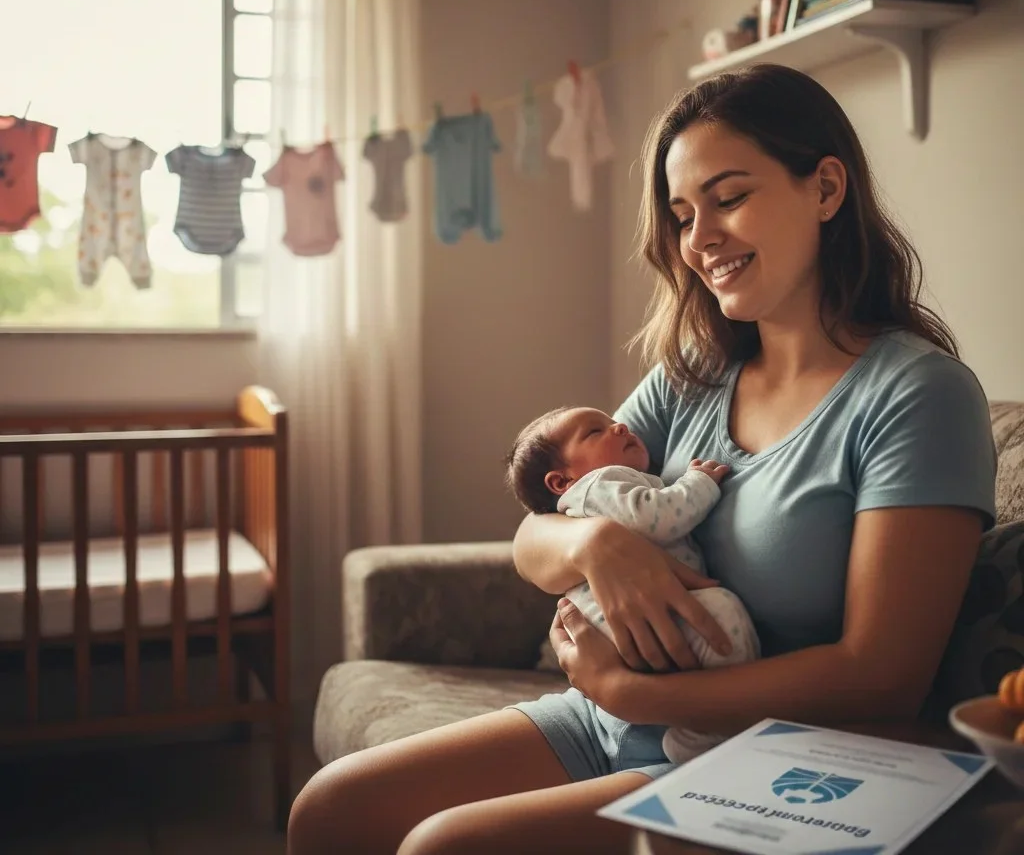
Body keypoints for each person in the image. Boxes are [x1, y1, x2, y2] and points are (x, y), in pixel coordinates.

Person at [287, 63, 997, 855]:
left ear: (825, 189)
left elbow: (883, 674)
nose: (699, 240)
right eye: (684, 213)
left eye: (728, 199)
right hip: (614, 718)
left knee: (442, 847)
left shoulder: (918, 396)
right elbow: (536, 539)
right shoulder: (692, 374)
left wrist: (636, 694)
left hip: (769, 746)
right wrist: (599, 544)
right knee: (331, 811)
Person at [504, 403, 760, 765]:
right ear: (562, 481)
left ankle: (699, 727)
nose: (621, 426)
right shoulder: (597, 485)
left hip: (622, 661)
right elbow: (659, 517)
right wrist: (697, 482)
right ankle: (704, 735)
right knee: (720, 612)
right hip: (627, 632)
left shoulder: (607, 482)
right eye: (596, 431)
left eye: (611, 422)